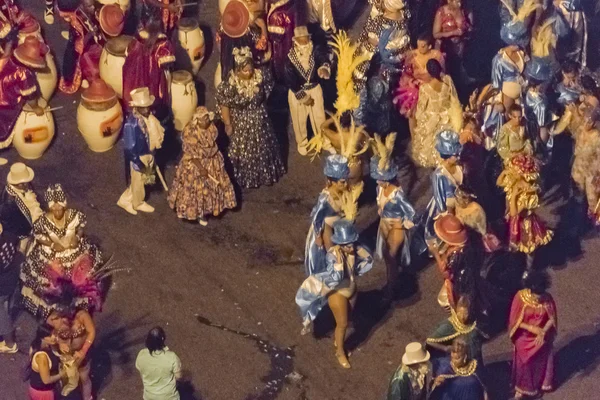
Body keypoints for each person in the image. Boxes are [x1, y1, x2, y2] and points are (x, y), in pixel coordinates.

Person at [296, 219, 373, 368]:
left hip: (351, 287)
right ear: (340, 243)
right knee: (342, 324)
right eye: (347, 244)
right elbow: (335, 278)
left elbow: (366, 261)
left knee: (349, 316)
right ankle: (340, 352)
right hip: (338, 292)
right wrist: (338, 264)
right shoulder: (333, 255)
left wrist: (361, 255)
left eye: (352, 242)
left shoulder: (353, 248)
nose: (351, 246)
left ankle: (338, 342)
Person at [21, 184, 103, 319]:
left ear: (64, 205)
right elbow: (38, 235)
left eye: (59, 207)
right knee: (53, 285)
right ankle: (57, 311)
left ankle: (77, 308)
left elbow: (81, 227)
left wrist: (77, 237)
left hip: (74, 254)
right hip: (52, 256)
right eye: (54, 207)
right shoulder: (43, 221)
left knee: (80, 282)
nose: (57, 210)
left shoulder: (75, 215)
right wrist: (52, 244)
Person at [216, 46, 285, 188]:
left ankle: (263, 175)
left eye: (250, 70)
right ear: (237, 70)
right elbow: (224, 104)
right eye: (244, 71)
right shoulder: (230, 85)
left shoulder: (260, 78)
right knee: (242, 152)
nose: (248, 73)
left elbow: (266, 92)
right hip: (241, 124)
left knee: (263, 148)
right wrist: (228, 123)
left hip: (260, 121)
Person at [168, 107, 237, 226]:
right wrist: (201, 168)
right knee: (196, 189)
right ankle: (199, 213)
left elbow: (213, 143)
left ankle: (208, 209)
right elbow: (191, 154)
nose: (204, 122)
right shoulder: (191, 131)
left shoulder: (211, 128)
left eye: (206, 118)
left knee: (212, 188)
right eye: (201, 120)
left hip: (211, 161)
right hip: (196, 163)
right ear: (196, 120)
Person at [371, 133, 416, 302]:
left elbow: (410, 212)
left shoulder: (397, 194)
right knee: (388, 257)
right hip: (384, 224)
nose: (378, 182)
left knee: (390, 256)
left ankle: (390, 289)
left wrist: (402, 226)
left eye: (380, 179)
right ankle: (396, 279)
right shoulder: (379, 189)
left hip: (396, 226)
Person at [496, 154, 553, 267]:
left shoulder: (529, 192)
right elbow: (499, 183)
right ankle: (515, 261)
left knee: (529, 248)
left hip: (524, 224)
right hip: (512, 219)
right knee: (513, 244)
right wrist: (504, 172)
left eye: (513, 169)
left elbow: (515, 213)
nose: (511, 171)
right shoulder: (514, 181)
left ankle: (529, 268)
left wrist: (514, 196)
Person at [509, 270, 557, 399]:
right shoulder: (520, 297)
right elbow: (515, 321)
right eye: (537, 296)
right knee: (524, 363)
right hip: (524, 336)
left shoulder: (547, 298)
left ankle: (535, 385)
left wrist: (542, 332)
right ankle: (520, 388)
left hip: (540, 335)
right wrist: (532, 328)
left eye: (541, 296)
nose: (539, 299)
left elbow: (552, 319)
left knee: (540, 355)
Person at [283, 26, 331, 156]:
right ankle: (302, 142)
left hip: (314, 88)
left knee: (320, 116)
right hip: (298, 91)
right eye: (302, 41)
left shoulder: (315, 50)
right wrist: (303, 97)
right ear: (296, 42)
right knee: (300, 120)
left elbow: (323, 58)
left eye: (306, 41)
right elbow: (290, 79)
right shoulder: (289, 59)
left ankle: (323, 139)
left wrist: (324, 68)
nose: (305, 44)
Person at [118, 87, 165, 215]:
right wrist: (138, 163)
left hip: (147, 153)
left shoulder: (148, 119)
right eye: (143, 107)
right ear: (136, 107)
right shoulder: (131, 125)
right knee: (138, 182)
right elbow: (129, 148)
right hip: (138, 157)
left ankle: (125, 199)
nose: (146, 110)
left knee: (139, 181)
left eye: (148, 106)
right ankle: (137, 203)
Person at [0, 37, 47, 162]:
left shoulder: (10, 59)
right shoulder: (25, 74)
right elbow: (30, 96)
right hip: (4, 103)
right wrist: (36, 108)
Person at [45, 289, 96, 400]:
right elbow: (48, 334)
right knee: (66, 378)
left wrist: (83, 351)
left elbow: (91, 332)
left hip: (82, 354)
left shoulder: (82, 316)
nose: (64, 317)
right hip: (65, 356)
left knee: (84, 378)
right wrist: (57, 342)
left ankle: (87, 398)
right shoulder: (53, 318)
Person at [412, 60, 462, 168]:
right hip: (447, 117)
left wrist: (419, 120)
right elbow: (454, 98)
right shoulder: (447, 80)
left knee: (430, 144)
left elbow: (421, 108)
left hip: (431, 118)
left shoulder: (425, 88)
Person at [304, 154, 349, 276]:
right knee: (332, 254)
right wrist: (318, 236)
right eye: (342, 182)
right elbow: (317, 218)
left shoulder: (344, 192)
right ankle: (331, 277)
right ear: (332, 181)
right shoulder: (325, 198)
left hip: (339, 228)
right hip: (326, 230)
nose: (345, 185)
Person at [122, 18, 175, 116]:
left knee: (136, 96)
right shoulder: (162, 41)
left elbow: (127, 51)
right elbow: (167, 60)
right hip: (153, 77)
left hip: (135, 74)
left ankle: (134, 113)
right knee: (153, 96)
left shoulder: (138, 36)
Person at [394, 33, 445, 135]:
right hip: (415, 89)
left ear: (430, 46)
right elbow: (405, 73)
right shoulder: (412, 55)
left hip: (431, 87)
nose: (419, 49)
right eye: (418, 45)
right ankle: (414, 139)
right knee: (412, 113)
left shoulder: (437, 55)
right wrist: (411, 81)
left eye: (422, 46)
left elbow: (442, 73)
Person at [354, 0, 410, 89]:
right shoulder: (404, 14)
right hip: (396, 56)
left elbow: (373, 40)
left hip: (378, 57)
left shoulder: (380, 22)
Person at [424, 130, 463, 244]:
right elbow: (439, 196)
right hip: (448, 205)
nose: (457, 157)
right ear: (447, 156)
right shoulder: (439, 174)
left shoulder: (459, 166)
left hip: (460, 200)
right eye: (454, 155)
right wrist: (445, 214)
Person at [55, 0, 103, 94]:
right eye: (90, 6)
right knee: (74, 53)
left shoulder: (83, 12)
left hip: (78, 23)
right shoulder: (79, 18)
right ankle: (69, 78)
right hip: (79, 37)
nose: (92, 8)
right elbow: (84, 34)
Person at [426, 296, 486, 364]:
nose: (462, 317)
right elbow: (429, 341)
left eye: (465, 314)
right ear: (456, 310)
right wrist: (445, 348)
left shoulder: (473, 323)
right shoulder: (448, 326)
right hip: (457, 361)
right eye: (460, 313)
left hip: (473, 359)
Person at [0, 162, 43, 253]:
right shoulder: (8, 202)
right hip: (21, 235)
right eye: (24, 183)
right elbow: (8, 225)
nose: (27, 184)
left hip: (31, 227)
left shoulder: (25, 186)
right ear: (18, 184)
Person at [136, 326, 183, 400]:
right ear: (162, 339)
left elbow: (142, 374)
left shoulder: (141, 354)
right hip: (169, 397)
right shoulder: (171, 357)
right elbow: (179, 377)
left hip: (149, 396)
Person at [454, 186, 499, 252]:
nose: (465, 201)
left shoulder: (476, 210)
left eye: (467, 198)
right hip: (462, 237)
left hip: (476, 240)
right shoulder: (458, 205)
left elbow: (482, 231)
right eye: (462, 198)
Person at [26, 325, 66, 399]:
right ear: (43, 338)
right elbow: (46, 380)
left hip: (49, 389)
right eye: (50, 335)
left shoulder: (48, 345)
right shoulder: (42, 357)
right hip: (43, 393)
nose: (54, 337)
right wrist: (62, 374)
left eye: (54, 333)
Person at [0, 223, 18, 354]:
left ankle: (9, 343)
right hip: (11, 277)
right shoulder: (10, 235)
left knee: (2, 315)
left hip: (2, 285)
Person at [266, 0, 295, 81]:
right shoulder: (291, 5)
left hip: (282, 55)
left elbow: (277, 37)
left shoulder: (277, 14)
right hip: (293, 55)